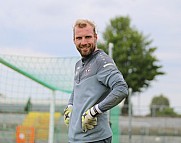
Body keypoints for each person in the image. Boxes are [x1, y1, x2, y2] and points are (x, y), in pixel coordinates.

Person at [64, 19, 128, 143]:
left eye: (88, 37)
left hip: (95, 139)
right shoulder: (78, 65)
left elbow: (121, 88)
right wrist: (70, 105)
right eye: (79, 38)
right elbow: (77, 89)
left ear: (95, 37)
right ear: (74, 40)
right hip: (75, 139)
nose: (83, 42)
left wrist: (94, 111)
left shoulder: (102, 61)